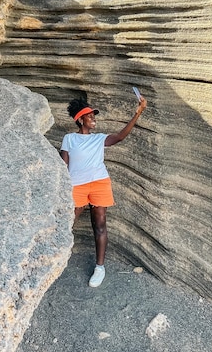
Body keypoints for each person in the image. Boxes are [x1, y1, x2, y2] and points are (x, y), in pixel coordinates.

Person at [60, 96, 147, 287]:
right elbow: (63, 166)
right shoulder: (69, 138)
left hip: (99, 183)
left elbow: (121, 136)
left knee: (99, 225)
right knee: (65, 223)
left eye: (93, 116)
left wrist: (138, 112)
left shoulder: (99, 139)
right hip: (77, 186)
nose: (94, 119)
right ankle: (55, 259)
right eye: (90, 116)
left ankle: (100, 268)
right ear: (80, 120)